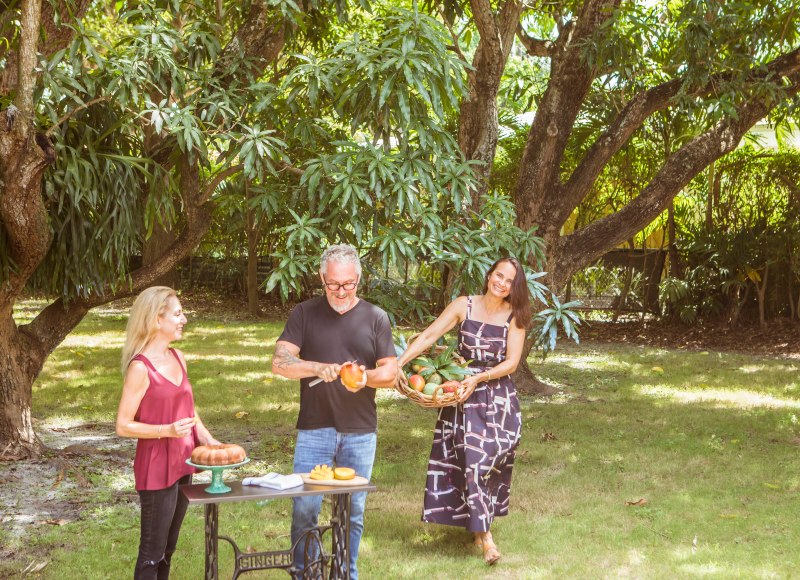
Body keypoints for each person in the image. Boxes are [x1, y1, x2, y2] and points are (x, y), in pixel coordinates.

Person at [271, 244, 398, 579]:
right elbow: (280, 363)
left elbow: (391, 373)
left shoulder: (376, 317)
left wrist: (363, 378)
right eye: (333, 284)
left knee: (353, 511)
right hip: (315, 429)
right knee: (305, 508)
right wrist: (315, 366)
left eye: (349, 284)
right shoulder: (304, 313)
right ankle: (304, 573)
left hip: (360, 430)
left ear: (359, 278)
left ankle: (345, 573)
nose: (341, 291)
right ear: (321, 278)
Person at [398, 257, 531, 565]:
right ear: (489, 275)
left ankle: (478, 522)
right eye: (499, 275)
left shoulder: (516, 316)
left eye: (509, 280)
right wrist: (398, 363)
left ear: (515, 287)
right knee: (470, 461)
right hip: (460, 393)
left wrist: (480, 377)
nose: (501, 282)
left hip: (496, 396)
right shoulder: (464, 305)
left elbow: (511, 363)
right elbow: (429, 336)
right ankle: (486, 538)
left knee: (489, 461)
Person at [116, 287, 219, 579]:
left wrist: (208, 439)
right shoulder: (140, 368)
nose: (183, 319)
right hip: (156, 467)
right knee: (151, 555)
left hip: (183, 462)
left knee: (167, 552)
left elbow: (188, 409)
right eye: (177, 314)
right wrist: (167, 430)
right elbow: (123, 425)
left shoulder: (178, 357)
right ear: (155, 320)